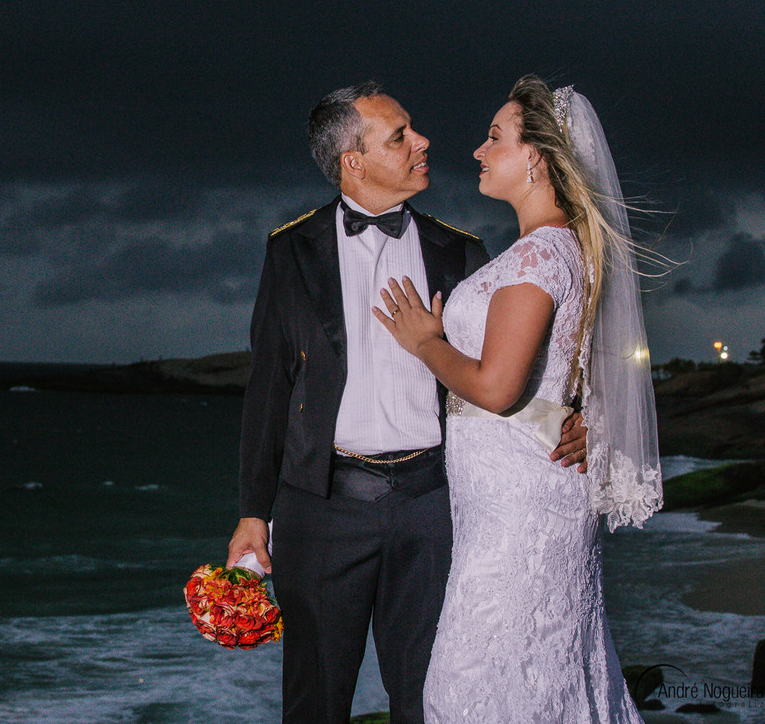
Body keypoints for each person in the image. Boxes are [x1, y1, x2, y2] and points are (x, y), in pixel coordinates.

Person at [226, 81, 589, 724]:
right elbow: (269, 389)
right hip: (322, 506)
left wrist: (582, 413)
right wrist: (253, 513)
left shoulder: (461, 249)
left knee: (430, 698)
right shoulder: (290, 251)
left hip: (437, 505)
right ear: (353, 161)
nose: (423, 142)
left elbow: (534, 347)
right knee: (315, 700)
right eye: (400, 136)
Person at [375, 76, 663, 722]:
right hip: (506, 506)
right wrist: (594, 417)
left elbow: (497, 387)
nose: (479, 150)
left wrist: (426, 342)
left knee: (474, 685)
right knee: (534, 675)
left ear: (535, 156)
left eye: (495, 137)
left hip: (521, 514)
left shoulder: (540, 256)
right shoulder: (557, 251)